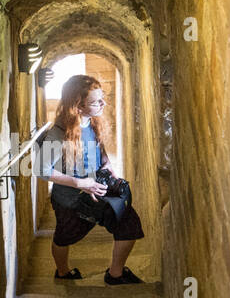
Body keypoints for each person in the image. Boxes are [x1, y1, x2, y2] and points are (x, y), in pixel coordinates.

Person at [35, 74, 146, 284]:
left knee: (129, 223)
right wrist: (81, 183)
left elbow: (99, 149)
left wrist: (108, 167)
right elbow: (41, 170)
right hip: (71, 200)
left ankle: (115, 274)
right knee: (63, 237)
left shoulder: (92, 123)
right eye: (96, 102)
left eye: (102, 97)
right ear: (78, 106)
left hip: (98, 193)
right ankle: (63, 272)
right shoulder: (59, 134)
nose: (103, 103)